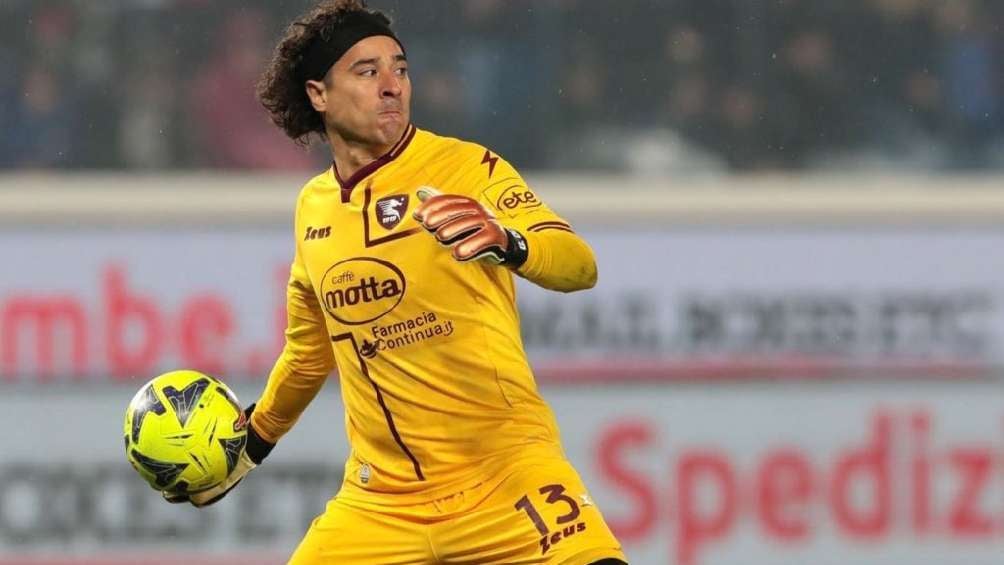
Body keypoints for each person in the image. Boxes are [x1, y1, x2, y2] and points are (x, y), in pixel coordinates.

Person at [166, 2, 628, 563]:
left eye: (401, 69)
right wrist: (250, 447)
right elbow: (310, 354)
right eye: (367, 71)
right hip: (381, 505)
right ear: (319, 94)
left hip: (504, 475)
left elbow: (579, 264)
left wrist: (510, 242)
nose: (392, 86)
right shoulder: (313, 208)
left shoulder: (466, 167)